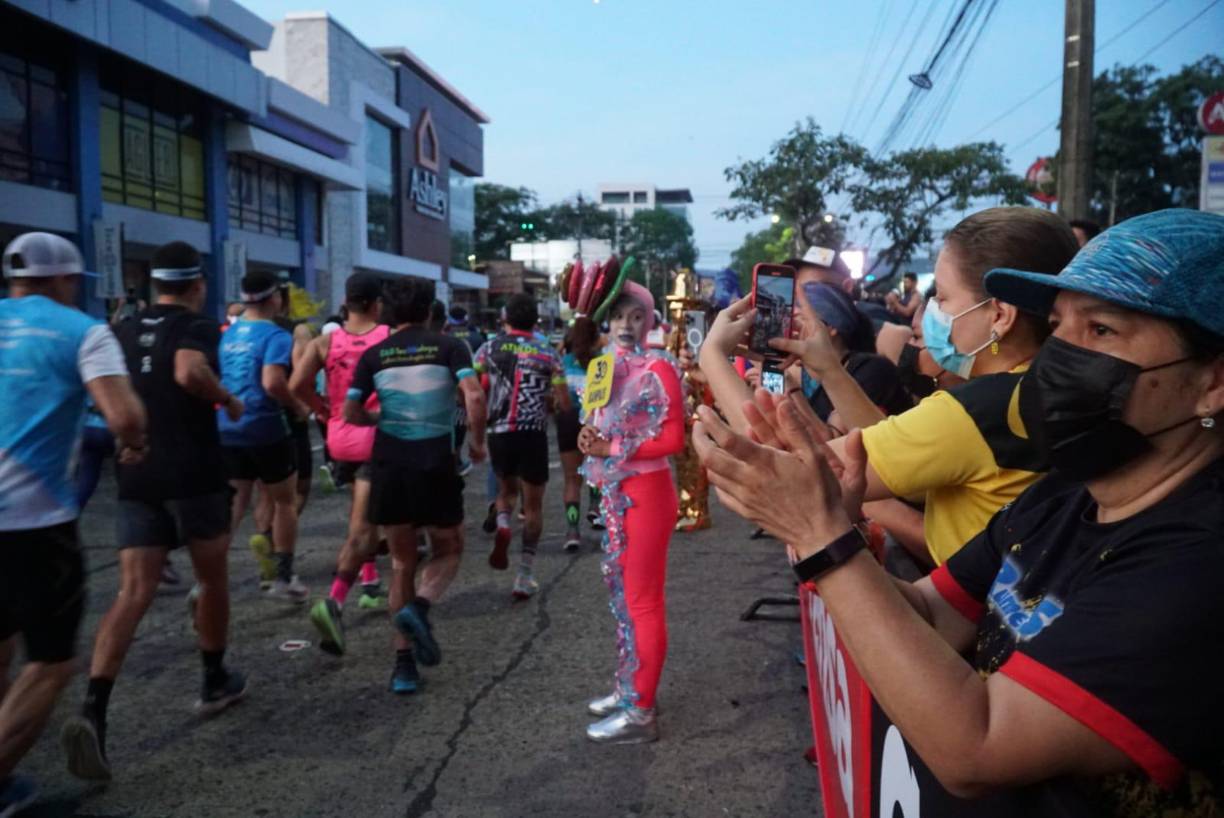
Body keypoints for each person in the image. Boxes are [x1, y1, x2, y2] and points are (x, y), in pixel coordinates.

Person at [693, 208, 1224, 816]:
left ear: (1212, 381)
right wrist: (828, 529)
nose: (1060, 353)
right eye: (1058, 326)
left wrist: (823, 539)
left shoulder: (1198, 562)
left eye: (1101, 331)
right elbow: (930, 611)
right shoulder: (1065, 498)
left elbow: (977, 748)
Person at [701, 206, 1079, 566]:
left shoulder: (973, 413)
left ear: (999, 315)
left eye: (943, 298)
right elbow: (891, 456)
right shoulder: (1041, 391)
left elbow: (792, 473)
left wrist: (712, 356)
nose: (929, 314)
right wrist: (829, 368)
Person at [60, 241, 247, 782]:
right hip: (194, 473)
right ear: (197, 284)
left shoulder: (118, 331)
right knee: (211, 580)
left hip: (138, 473)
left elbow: (99, 393)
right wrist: (226, 400)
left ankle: (94, 709)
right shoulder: (198, 326)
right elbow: (191, 373)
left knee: (132, 592)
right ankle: (214, 679)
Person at [0, 233, 145, 813]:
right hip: (33, 524)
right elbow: (124, 415)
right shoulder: (81, 330)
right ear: (65, 280)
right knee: (52, 660)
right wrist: (134, 440)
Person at [344, 277, 487, 694]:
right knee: (449, 548)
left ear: (389, 312)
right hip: (434, 463)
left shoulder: (374, 355)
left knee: (402, 563)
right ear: (429, 311)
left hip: (388, 464)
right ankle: (420, 608)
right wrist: (477, 444)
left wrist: (381, 420)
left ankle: (403, 666)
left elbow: (351, 412)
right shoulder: (449, 346)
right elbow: (474, 397)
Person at [579, 282, 686, 745]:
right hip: (616, 493)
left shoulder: (659, 367)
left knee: (642, 601)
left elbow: (675, 439)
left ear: (650, 320)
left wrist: (612, 446)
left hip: (646, 492)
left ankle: (641, 713)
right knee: (624, 599)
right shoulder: (605, 366)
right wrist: (589, 436)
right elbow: (598, 421)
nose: (626, 325)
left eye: (636, 316)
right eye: (619, 316)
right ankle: (630, 687)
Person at [290, 272, 392, 655]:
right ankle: (334, 601)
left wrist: (325, 412)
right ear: (376, 303)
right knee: (364, 526)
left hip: (339, 438)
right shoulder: (387, 338)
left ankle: (369, 580)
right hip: (374, 438)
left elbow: (296, 386)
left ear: (347, 302)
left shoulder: (325, 341)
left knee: (363, 514)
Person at [218, 270, 308, 601]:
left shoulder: (228, 333)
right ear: (275, 298)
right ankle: (284, 578)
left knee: (234, 503)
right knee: (285, 500)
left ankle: (208, 579)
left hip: (228, 425)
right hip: (266, 426)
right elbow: (272, 382)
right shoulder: (276, 336)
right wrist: (296, 404)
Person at [474, 293, 570, 599]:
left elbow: (472, 389)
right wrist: (552, 404)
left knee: (506, 493)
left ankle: (502, 522)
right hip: (533, 433)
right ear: (535, 321)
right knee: (533, 507)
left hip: (499, 431)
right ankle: (524, 575)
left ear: (505, 319)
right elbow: (564, 402)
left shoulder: (487, 349)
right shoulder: (548, 353)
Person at [557, 316, 600, 551]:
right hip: (594, 422)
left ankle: (572, 531)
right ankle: (595, 507)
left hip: (567, 420)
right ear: (595, 338)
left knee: (572, 478)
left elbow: (555, 395)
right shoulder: (602, 364)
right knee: (596, 469)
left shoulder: (562, 362)